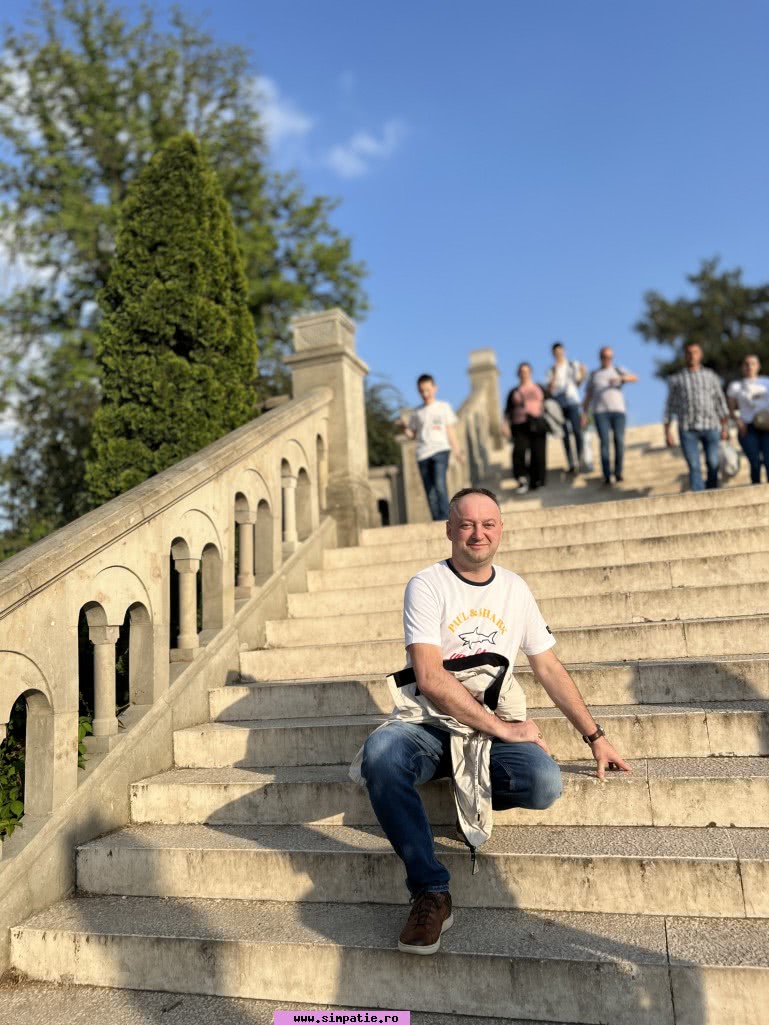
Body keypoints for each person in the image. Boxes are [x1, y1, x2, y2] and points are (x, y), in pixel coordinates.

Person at [355, 487, 630, 955]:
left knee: (544, 784)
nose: (477, 533)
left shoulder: (515, 590)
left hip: (487, 733)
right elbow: (430, 677)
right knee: (381, 755)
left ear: (501, 530)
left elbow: (548, 667)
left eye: (487, 524)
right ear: (449, 530)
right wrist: (504, 728)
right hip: (430, 727)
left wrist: (594, 736)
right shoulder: (427, 585)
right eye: (466, 524)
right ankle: (431, 891)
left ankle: (469, 785)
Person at [663, 341, 729, 491]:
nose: (692, 356)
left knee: (713, 462)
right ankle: (698, 496)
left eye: (695, 352)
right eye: (689, 353)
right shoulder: (677, 379)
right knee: (694, 465)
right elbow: (670, 406)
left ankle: (712, 491)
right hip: (687, 428)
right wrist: (667, 431)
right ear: (685, 356)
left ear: (701, 355)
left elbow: (720, 401)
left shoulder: (710, 376)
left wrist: (724, 427)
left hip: (711, 425)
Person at [402, 374, 461, 520]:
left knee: (440, 484)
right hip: (422, 454)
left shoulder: (443, 407)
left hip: (441, 450)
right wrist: (405, 428)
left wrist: (457, 450)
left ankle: (446, 517)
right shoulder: (416, 412)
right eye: (422, 391)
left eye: (427, 390)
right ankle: (436, 519)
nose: (425, 394)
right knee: (429, 490)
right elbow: (413, 434)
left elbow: (450, 430)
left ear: (435, 388)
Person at [582, 347, 638, 485]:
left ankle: (618, 473)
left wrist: (620, 378)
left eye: (609, 357)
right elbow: (588, 395)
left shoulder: (618, 370)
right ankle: (607, 475)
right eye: (604, 356)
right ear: (600, 357)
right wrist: (584, 413)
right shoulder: (594, 374)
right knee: (604, 442)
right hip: (600, 412)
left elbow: (634, 378)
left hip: (618, 411)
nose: (607, 359)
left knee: (619, 440)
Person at [503, 362, 547, 494]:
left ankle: (536, 480)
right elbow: (507, 410)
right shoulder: (514, 391)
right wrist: (505, 425)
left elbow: (549, 402)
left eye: (526, 371)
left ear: (531, 372)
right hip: (520, 424)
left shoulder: (539, 388)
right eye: (522, 371)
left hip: (538, 423)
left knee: (538, 453)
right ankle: (521, 478)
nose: (524, 374)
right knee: (519, 451)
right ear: (518, 374)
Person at [727, 354, 769, 484]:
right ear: (742, 367)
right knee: (754, 460)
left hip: (767, 426)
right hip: (747, 427)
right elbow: (731, 410)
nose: (749, 366)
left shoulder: (766, 382)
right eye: (746, 364)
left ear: (758, 366)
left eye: (753, 363)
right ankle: (755, 487)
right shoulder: (736, 386)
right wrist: (738, 421)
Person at [546, 342, 585, 473]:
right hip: (558, 402)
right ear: (553, 354)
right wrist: (553, 379)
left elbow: (578, 383)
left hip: (572, 399)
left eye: (560, 351)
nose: (559, 354)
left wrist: (583, 374)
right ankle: (571, 462)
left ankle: (579, 458)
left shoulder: (572, 365)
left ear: (564, 351)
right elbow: (549, 390)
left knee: (577, 430)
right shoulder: (551, 370)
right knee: (565, 434)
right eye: (556, 352)